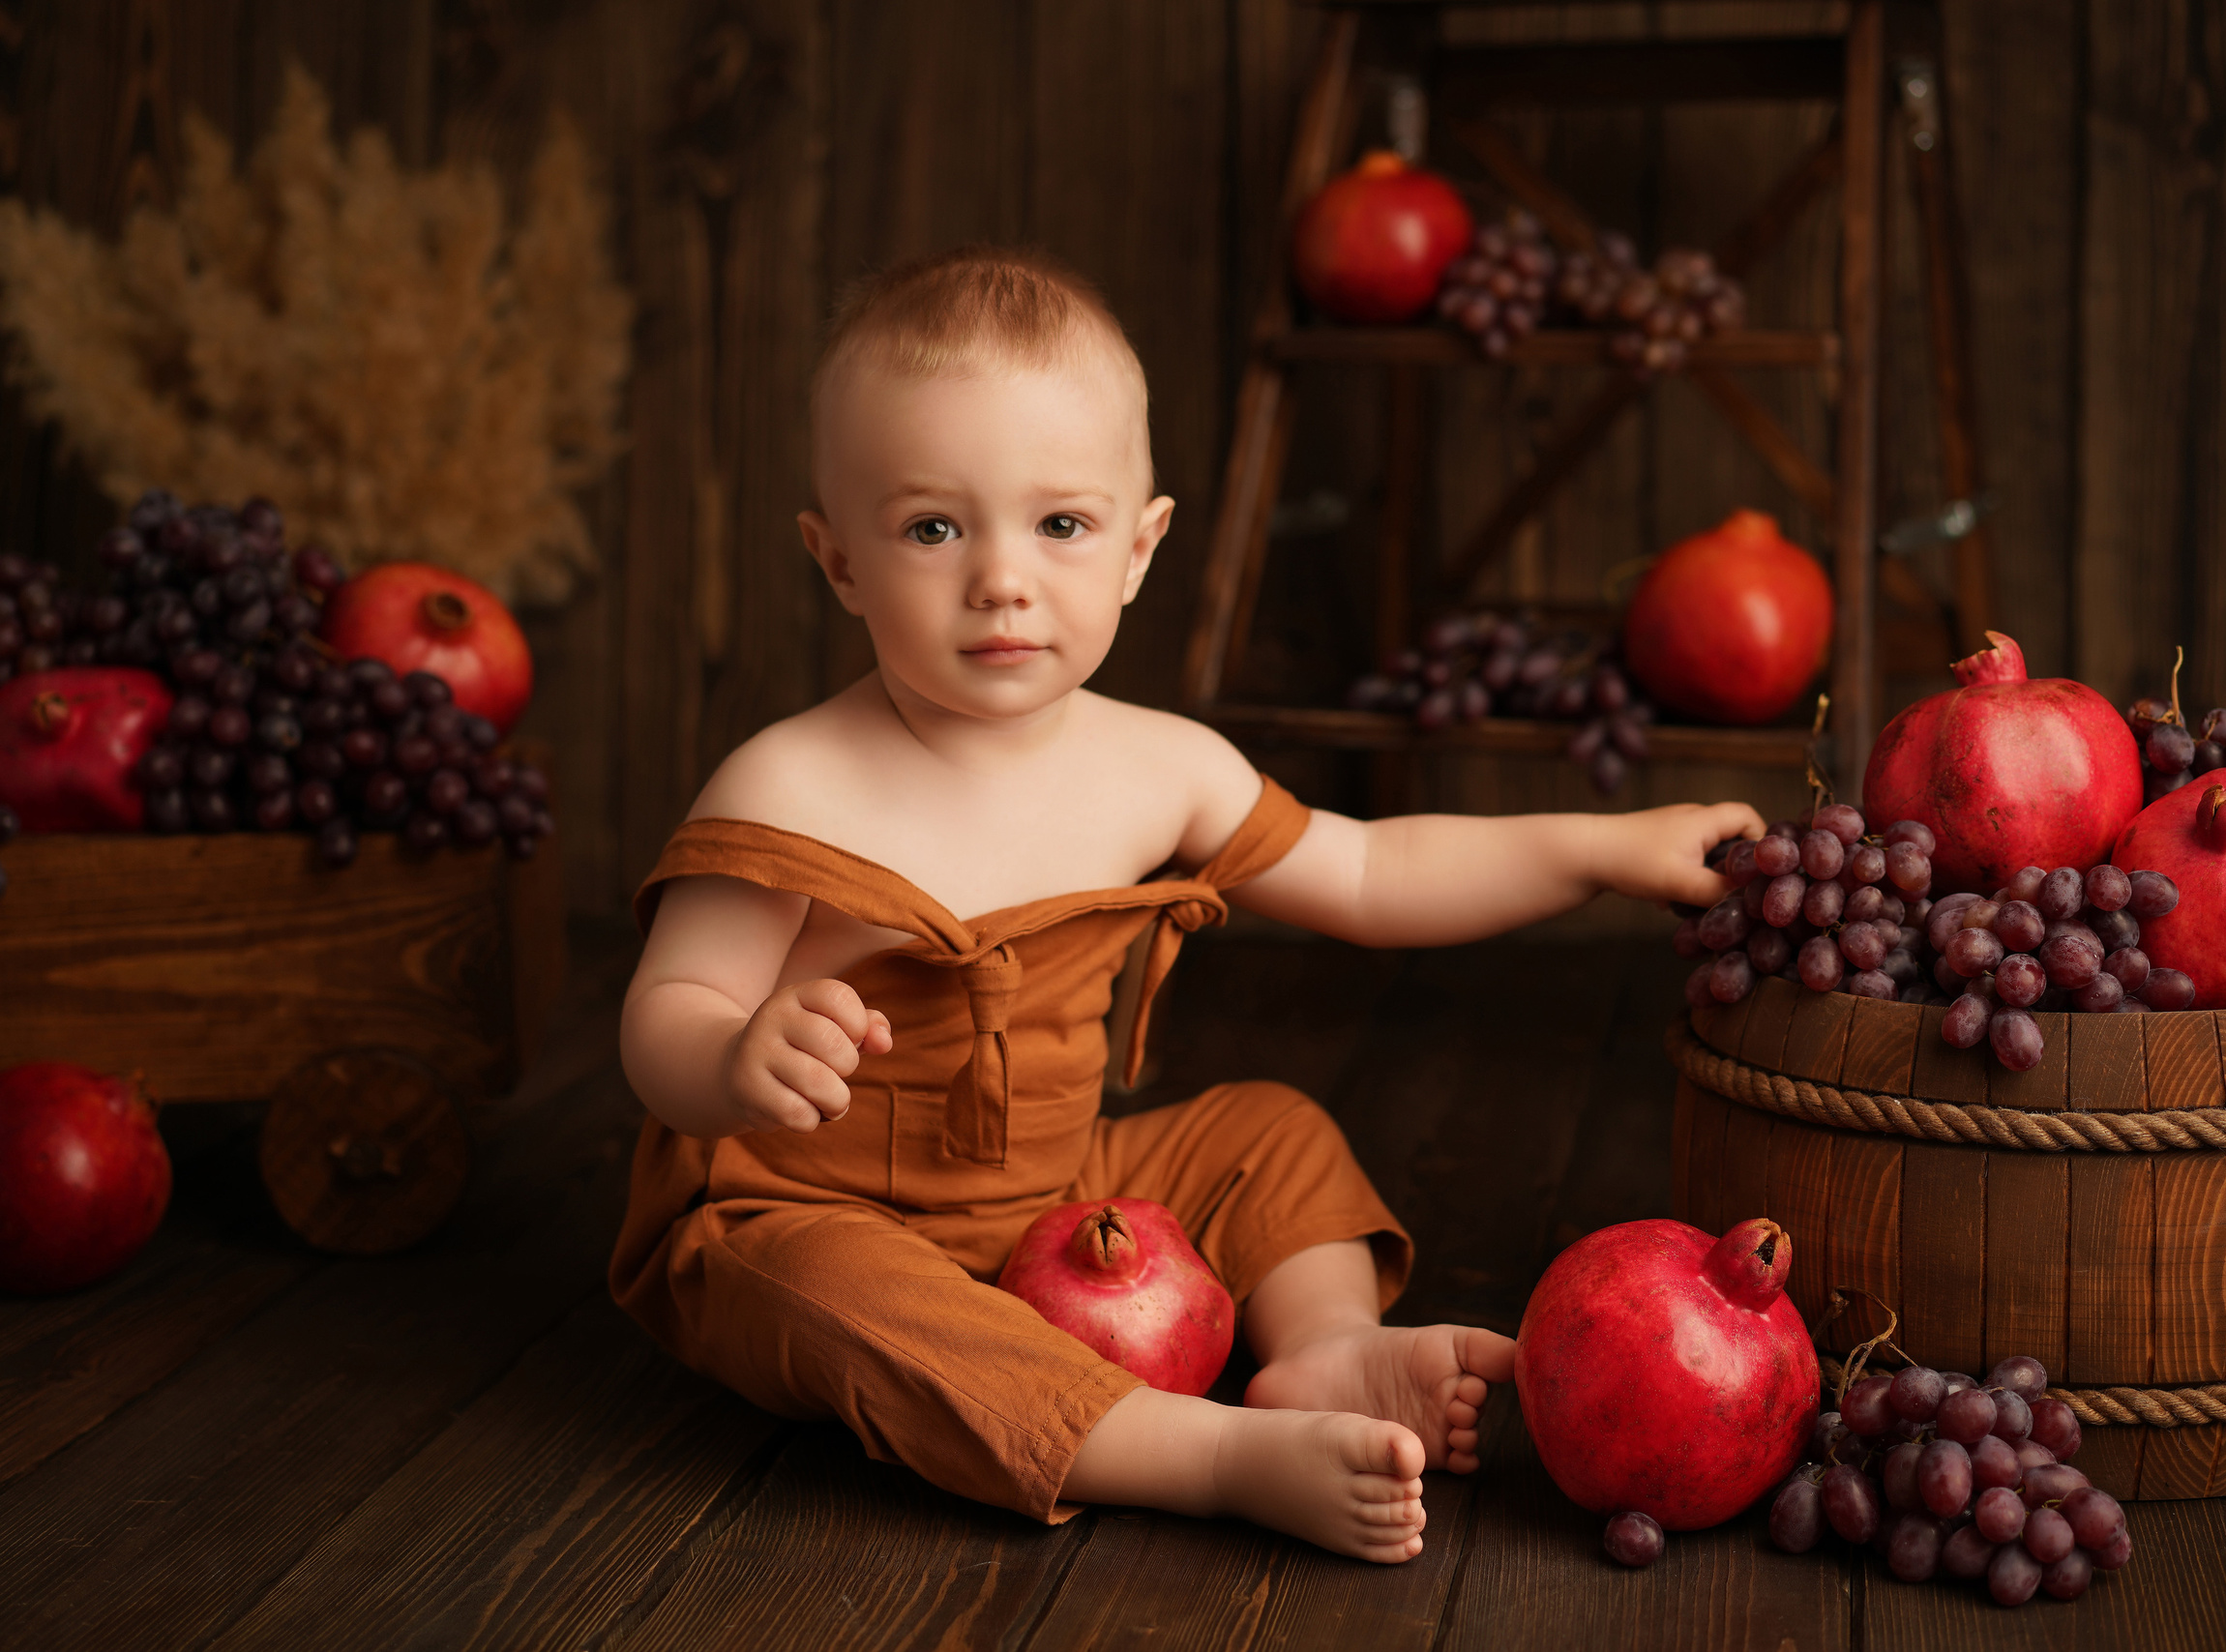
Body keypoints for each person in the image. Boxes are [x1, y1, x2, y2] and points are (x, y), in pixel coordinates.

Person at [612, 246, 1761, 1563]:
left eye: (1061, 525)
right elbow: (665, 1018)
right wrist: (735, 1055)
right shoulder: (793, 781)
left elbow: (1376, 874)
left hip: (1060, 1194)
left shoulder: (1160, 767)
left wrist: (1602, 848)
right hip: (817, 1214)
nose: (1001, 578)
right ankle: (1204, 1455)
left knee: (1269, 1133)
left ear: (1140, 548)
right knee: (833, 1295)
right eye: (934, 527)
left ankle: (1325, 1352)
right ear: (839, 562)